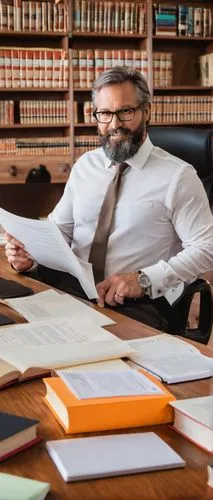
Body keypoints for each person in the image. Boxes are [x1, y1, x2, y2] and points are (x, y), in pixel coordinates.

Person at [4, 66, 213, 331]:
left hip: (137, 305)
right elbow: (60, 231)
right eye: (104, 113)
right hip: (72, 292)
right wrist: (28, 255)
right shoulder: (85, 166)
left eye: (125, 112)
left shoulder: (178, 176)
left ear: (146, 111)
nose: (114, 124)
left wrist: (144, 280)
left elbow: (207, 249)